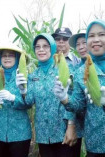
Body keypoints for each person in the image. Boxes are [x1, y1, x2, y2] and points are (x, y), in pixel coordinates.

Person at [16, 33, 77, 157]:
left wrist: (71, 126)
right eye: (37, 47)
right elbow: (29, 102)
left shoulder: (63, 68)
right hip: (43, 134)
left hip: (63, 132)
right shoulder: (33, 75)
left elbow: (74, 99)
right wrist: (22, 91)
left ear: (52, 48)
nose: (41, 50)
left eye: (45, 46)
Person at [53, 19, 105, 157]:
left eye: (101, 34)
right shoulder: (80, 72)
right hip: (96, 142)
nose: (96, 40)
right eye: (91, 36)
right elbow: (79, 105)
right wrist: (65, 98)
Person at [0, 46, 32, 157]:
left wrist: (14, 98)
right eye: (4, 55)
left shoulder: (24, 77)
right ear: (0, 58)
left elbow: (29, 102)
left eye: (11, 55)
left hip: (20, 131)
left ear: (16, 58)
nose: (7, 58)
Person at [52, 27, 84, 156]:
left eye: (65, 39)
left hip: (70, 125)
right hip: (50, 127)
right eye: (58, 39)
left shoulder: (78, 63)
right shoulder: (48, 61)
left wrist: (72, 125)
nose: (61, 42)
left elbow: (78, 97)